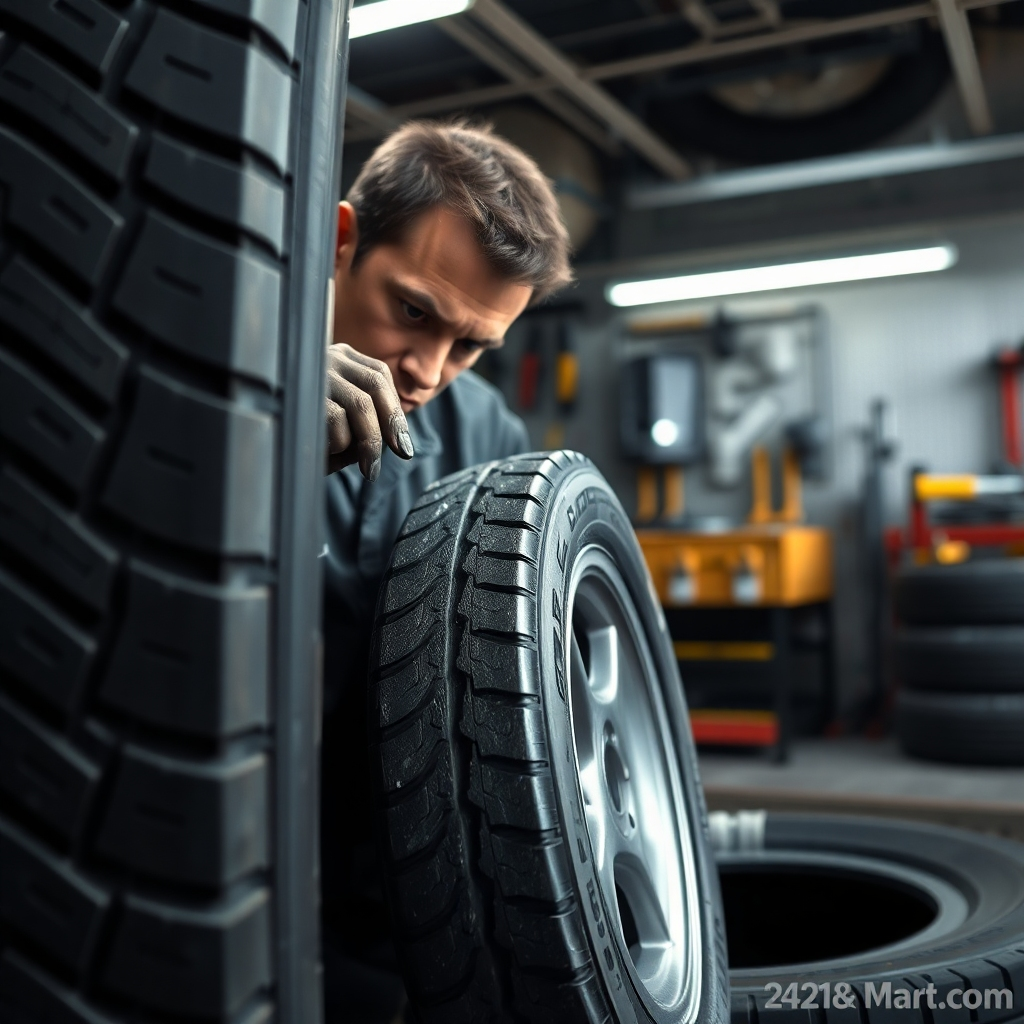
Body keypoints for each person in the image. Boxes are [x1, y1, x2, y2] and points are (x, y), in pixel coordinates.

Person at [319, 119, 573, 1023]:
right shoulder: (217, 360)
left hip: (403, 885)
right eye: (414, 312)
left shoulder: (488, 436)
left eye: (470, 346)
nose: (430, 370)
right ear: (342, 238)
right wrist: (255, 439)